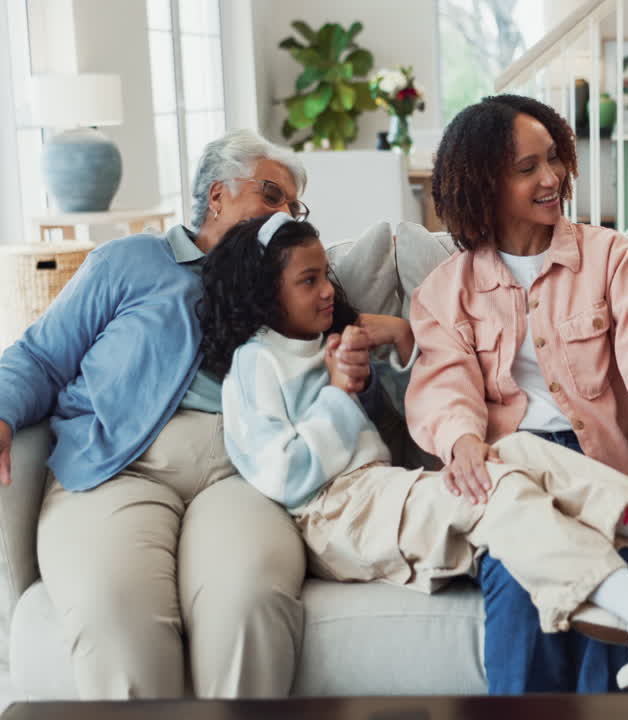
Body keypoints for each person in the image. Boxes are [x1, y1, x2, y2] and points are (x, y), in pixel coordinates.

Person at [200, 212, 628, 695]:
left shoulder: (323, 343)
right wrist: (338, 394)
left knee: (512, 449)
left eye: (327, 275)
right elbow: (285, 471)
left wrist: (393, 343)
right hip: (339, 512)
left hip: (379, 495)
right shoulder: (256, 365)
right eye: (309, 281)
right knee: (498, 486)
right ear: (263, 295)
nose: (329, 290)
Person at [406, 94, 628, 694]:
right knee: (519, 581)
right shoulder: (445, 293)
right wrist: (462, 440)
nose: (552, 179)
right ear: (483, 185)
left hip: (604, 478)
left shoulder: (610, 258)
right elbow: (444, 387)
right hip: (510, 482)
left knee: (619, 587)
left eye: (553, 159)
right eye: (527, 169)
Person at [0, 129, 379, 698]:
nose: (283, 217)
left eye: (294, 207)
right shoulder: (130, 261)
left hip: (244, 470)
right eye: (272, 195)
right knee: (114, 610)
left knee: (249, 597)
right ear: (218, 195)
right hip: (114, 467)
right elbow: (39, 356)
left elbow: (350, 358)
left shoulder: (294, 283)